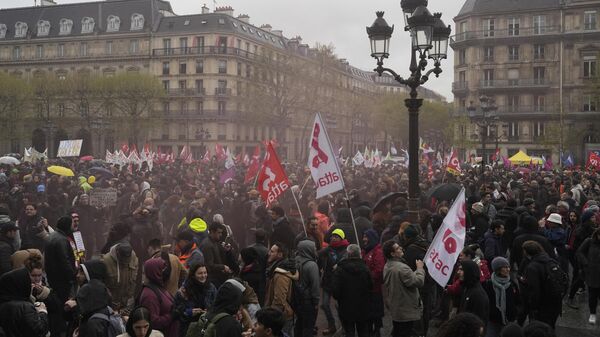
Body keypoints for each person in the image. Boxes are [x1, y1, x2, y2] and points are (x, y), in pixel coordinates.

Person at [382, 240, 425, 337]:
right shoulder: (402, 268)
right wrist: (420, 269)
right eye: (397, 248)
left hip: (397, 309)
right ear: (392, 254)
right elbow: (418, 281)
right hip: (407, 310)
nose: (400, 248)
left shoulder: (387, 266)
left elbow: (403, 281)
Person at [331, 244, 373, 337]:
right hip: (363, 308)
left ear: (348, 254)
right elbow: (370, 286)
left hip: (346, 308)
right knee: (363, 332)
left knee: (349, 332)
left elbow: (335, 292)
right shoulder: (365, 269)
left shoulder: (339, 270)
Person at [521, 240, 562, 328]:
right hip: (556, 303)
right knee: (550, 327)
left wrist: (533, 307)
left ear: (527, 252)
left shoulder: (532, 267)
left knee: (539, 329)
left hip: (542, 306)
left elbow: (534, 290)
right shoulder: (551, 261)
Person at [0, 268, 49, 337]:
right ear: (20, 284)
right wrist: (42, 312)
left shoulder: (3, 303)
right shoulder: (25, 307)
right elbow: (40, 330)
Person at [318, 228, 349, 335]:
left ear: (341, 238)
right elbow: (318, 255)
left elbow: (346, 260)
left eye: (336, 236)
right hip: (327, 281)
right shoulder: (328, 249)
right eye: (332, 236)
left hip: (339, 283)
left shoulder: (346, 250)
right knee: (325, 305)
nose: (333, 238)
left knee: (340, 306)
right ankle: (332, 325)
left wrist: (339, 265)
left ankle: (345, 326)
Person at [173, 263, 217, 336]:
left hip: (206, 328)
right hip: (187, 329)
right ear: (193, 275)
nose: (203, 276)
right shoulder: (184, 290)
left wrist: (209, 311)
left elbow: (216, 305)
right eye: (200, 273)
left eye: (205, 273)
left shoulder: (211, 287)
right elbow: (175, 311)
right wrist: (189, 312)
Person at [139, 258, 178, 337]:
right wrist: (171, 316)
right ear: (154, 271)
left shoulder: (159, 287)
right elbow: (152, 322)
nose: (166, 271)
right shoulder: (149, 295)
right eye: (162, 269)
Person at [264, 242, 297, 335]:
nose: (269, 253)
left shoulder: (281, 274)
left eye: (272, 251)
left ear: (280, 254)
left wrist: (272, 318)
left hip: (283, 316)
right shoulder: (276, 268)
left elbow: (279, 299)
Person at [482, 257, 520, 337]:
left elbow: (518, 300)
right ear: (498, 269)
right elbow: (485, 302)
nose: (508, 269)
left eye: (508, 267)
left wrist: (516, 312)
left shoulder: (512, 284)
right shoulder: (488, 284)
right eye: (505, 267)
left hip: (510, 320)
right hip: (493, 321)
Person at [45, 216, 77, 304]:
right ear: (67, 226)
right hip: (61, 278)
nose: (73, 226)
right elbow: (65, 260)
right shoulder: (62, 240)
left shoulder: (52, 236)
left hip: (53, 276)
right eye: (72, 224)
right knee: (63, 300)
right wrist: (73, 275)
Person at [294, 240, 320, 337]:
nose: (315, 250)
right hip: (308, 300)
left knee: (299, 324)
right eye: (314, 248)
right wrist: (316, 302)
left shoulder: (295, 260)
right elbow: (315, 285)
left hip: (297, 298)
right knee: (309, 326)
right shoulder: (312, 265)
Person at [102, 242, 139, 311]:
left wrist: (130, 297)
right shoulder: (106, 261)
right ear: (117, 253)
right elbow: (102, 285)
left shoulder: (134, 259)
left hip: (126, 302)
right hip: (110, 304)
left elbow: (134, 280)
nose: (125, 263)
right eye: (123, 260)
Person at [362, 229, 385, 337]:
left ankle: (376, 331)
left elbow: (379, 270)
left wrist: (367, 277)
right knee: (367, 313)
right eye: (363, 237)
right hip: (366, 289)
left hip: (374, 289)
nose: (364, 239)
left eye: (366, 237)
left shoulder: (377, 251)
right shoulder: (364, 250)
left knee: (375, 314)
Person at [576, 228, 600, 324]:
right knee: (592, 295)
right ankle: (593, 313)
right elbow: (579, 252)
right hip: (592, 274)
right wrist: (586, 263)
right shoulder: (589, 241)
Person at [457, 260, 490, 328]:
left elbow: (478, 324)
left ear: (469, 272)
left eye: (461, 270)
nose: (458, 272)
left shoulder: (478, 295)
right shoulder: (467, 288)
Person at [199, 222, 232, 287]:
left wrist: (225, 250)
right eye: (218, 232)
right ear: (212, 232)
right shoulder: (207, 245)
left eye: (221, 233)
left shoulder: (214, 242)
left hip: (217, 278)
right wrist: (223, 267)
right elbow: (209, 265)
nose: (221, 235)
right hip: (212, 280)